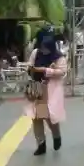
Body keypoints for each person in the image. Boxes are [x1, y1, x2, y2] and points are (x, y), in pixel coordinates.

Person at [25, 26, 68, 156]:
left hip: (51, 90)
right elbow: (29, 65)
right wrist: (31, 69)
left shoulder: (59, 57)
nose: (44, 49)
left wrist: (46, 70)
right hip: (37, 88)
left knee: (49, 116)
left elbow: (62, 72)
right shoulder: (35, 53)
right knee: (37, 117)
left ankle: (56, 135)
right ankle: (41, 143)